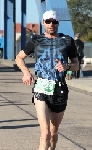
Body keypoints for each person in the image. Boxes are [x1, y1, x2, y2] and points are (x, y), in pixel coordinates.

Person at [15, 10, 79, 150]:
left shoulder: (67, 40)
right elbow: (19, 58)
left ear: (58, 23)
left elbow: (76, 65)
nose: (51, 24)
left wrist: (67, 66)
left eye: (54, 22)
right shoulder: (35, 40)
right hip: (41, 88)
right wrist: (26, 73)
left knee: (53, 133)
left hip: (59, 89)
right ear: (43, 22)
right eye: (48, 21)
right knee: (45, 133)